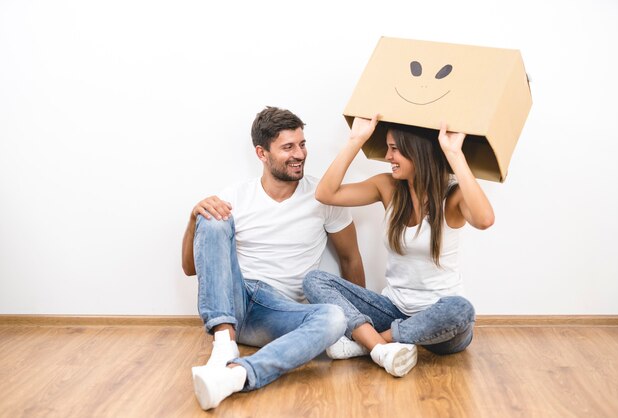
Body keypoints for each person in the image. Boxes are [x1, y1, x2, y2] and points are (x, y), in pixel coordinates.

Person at [181, 106, 367, 410]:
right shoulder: (237, 196)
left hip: (280, 314)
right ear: (262, 153)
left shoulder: (323, 197)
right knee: (211, 215)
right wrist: (194, 220)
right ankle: (224, 343)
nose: (300, 154)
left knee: (334, 317)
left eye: (302, 144)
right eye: (288, 147)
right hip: (235, 302)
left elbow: (351, 259)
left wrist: (362, 328)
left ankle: (236, 376)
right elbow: (191, 268)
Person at [303, 116, 495, 377]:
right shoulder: (388, 187)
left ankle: (371, 343)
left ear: (418, 152)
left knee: (461, 309)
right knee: (315, 280)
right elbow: (326, 194)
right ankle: (382, 345)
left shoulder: (453, 197)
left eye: (394, 149)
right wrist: (355, 140)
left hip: (441, 324)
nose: (387, 155)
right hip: (394, 309)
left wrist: (453, 153)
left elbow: (484, 220)